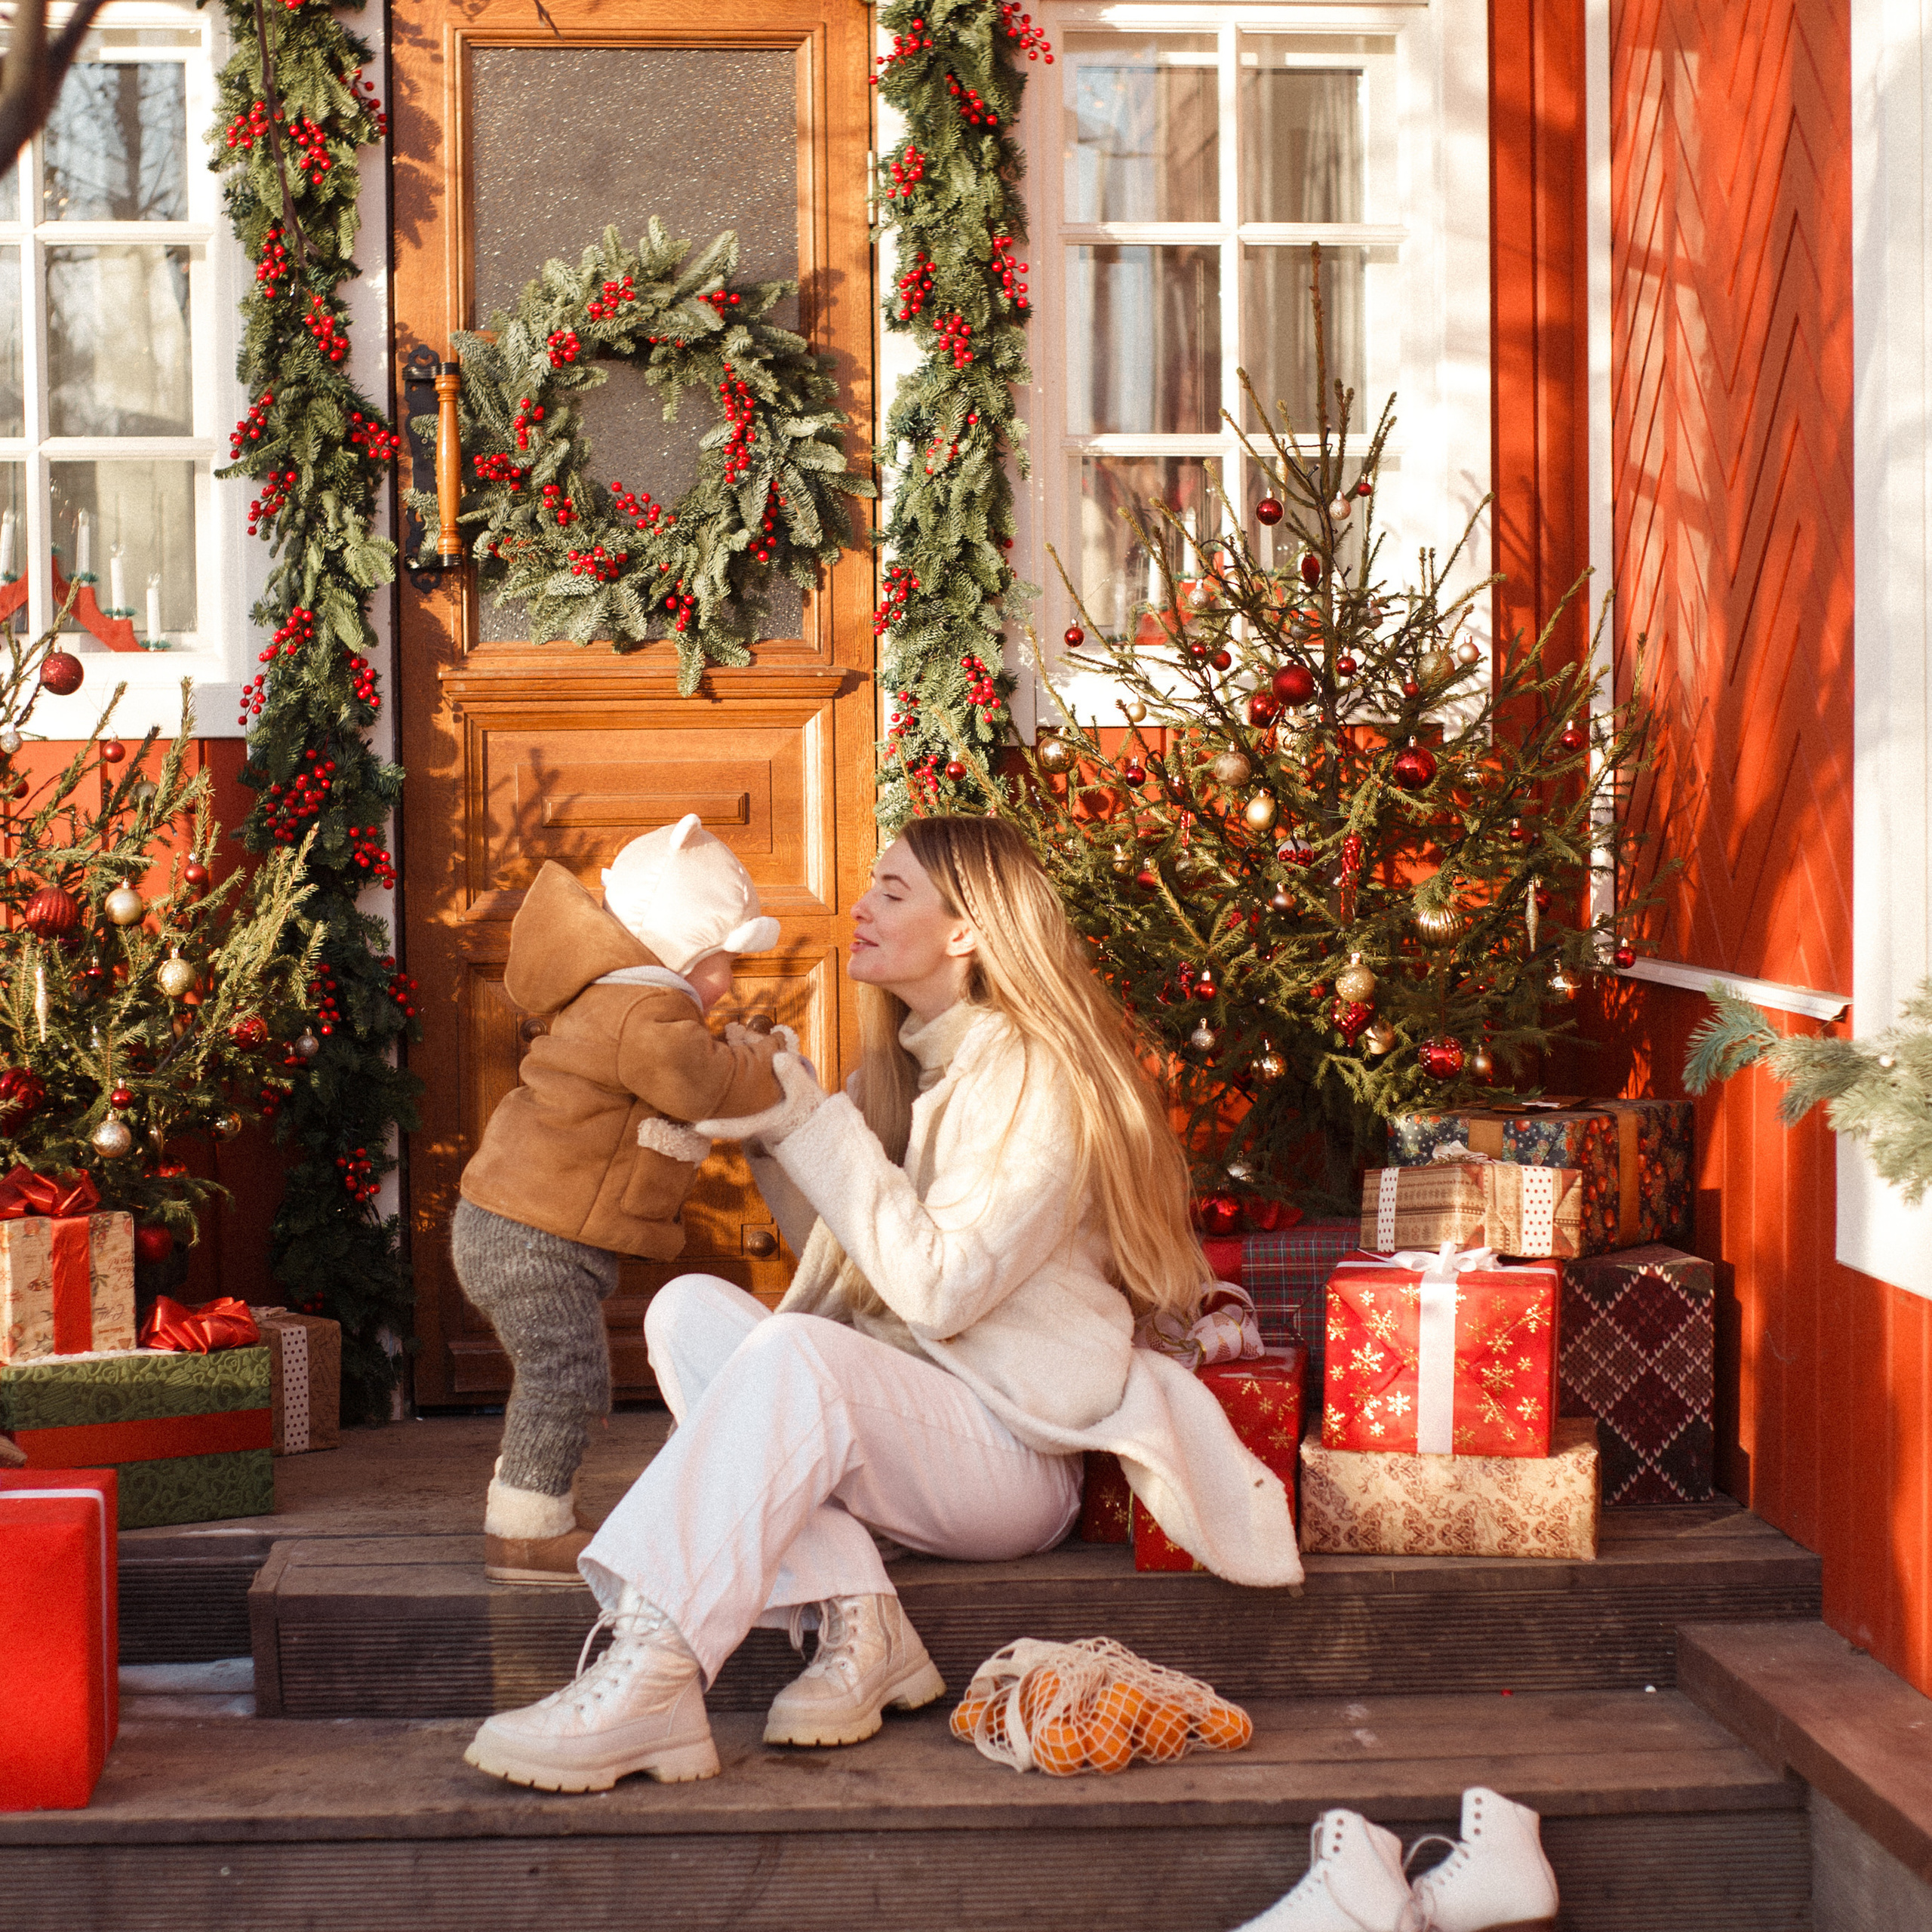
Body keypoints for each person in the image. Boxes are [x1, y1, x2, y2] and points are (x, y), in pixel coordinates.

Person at [463, 815, 1301, 1792]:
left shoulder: (1040, 1080)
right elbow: (844, 1247)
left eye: (891, 892)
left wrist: (813, 1121)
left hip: (1010, 1453)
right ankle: (865, 1614)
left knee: (792, 1357)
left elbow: (937, 1290)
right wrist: (779, 1130)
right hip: (909, 1419)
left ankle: (655, 1670)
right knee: (686, 1311)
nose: (858, 908)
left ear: (968, 930)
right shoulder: (907, 1067)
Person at [454, 814, 786, 1585]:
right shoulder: (643, 1010)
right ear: (671, 952)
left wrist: (732, 1046)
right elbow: (701, 1085)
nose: (727, 982)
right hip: (528, 1235)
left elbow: (691, 1067)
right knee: (565, 1375)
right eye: (716, 961)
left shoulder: (624, 1001)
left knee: (556, 1371)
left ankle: (531, 1504)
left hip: (517, 1225)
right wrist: (767, 1058)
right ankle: (525, 1529)